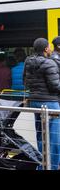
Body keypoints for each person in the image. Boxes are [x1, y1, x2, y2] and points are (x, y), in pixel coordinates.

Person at [23, 38, 60, 170]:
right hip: (50, 103)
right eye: (49, 47)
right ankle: (54, 167)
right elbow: (55, 86)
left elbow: (25, 82)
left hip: (35, 102)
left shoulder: (28, 62)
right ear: (45, 49)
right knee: (54, 138)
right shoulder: (50, 63)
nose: (50, 49)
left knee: (41, 135)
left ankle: (42, 166)